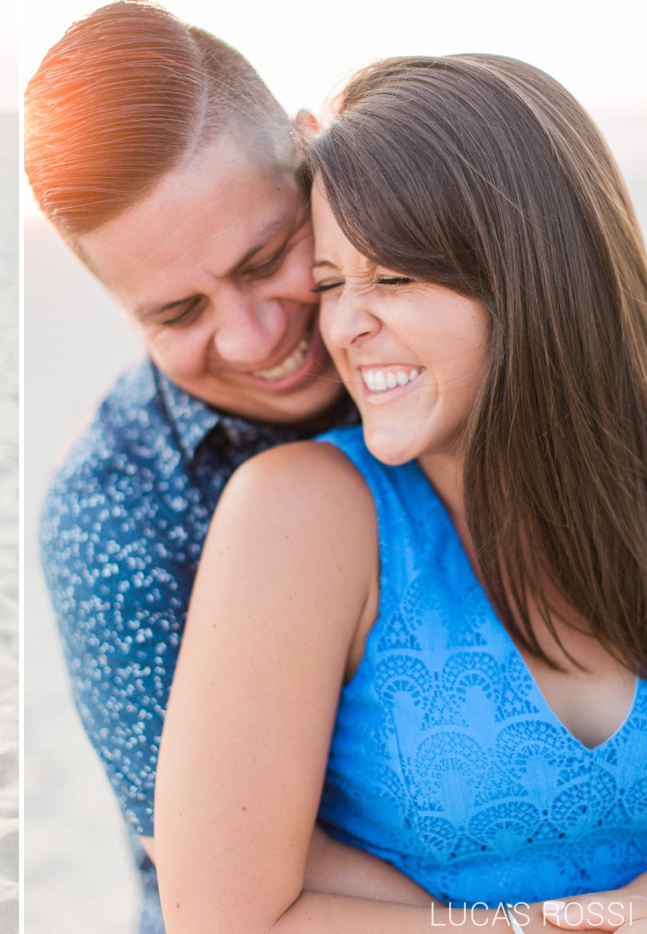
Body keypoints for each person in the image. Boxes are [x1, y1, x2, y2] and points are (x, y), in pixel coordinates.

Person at [155, 54, 647, 932]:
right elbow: (225, 919)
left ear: (528, 272)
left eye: (396, 277)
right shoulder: (300, 515)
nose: (343, 325)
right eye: (333, 283)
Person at [26, 4, 424, 928]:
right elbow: (216, 870)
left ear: (314, 153)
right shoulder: (113, 509)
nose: (253, 338)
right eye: (178, 315)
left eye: (266, 257)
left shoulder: (466, 337)